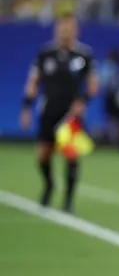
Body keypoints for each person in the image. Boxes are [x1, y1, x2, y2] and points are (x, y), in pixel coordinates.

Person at [20, 15, 98, 213]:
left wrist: (82, 102)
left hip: (71, 114)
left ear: (75, 31)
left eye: (69, 28)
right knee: (43, 155)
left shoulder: (84, 54)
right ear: (56, 30)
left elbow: (92, 84)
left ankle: (68, 200)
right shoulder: (45, 53)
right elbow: (33, 81)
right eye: (62, 28)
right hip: (48, 110)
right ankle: (48, 185)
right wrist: (27, 107)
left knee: (71, 155)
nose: (65, 32)